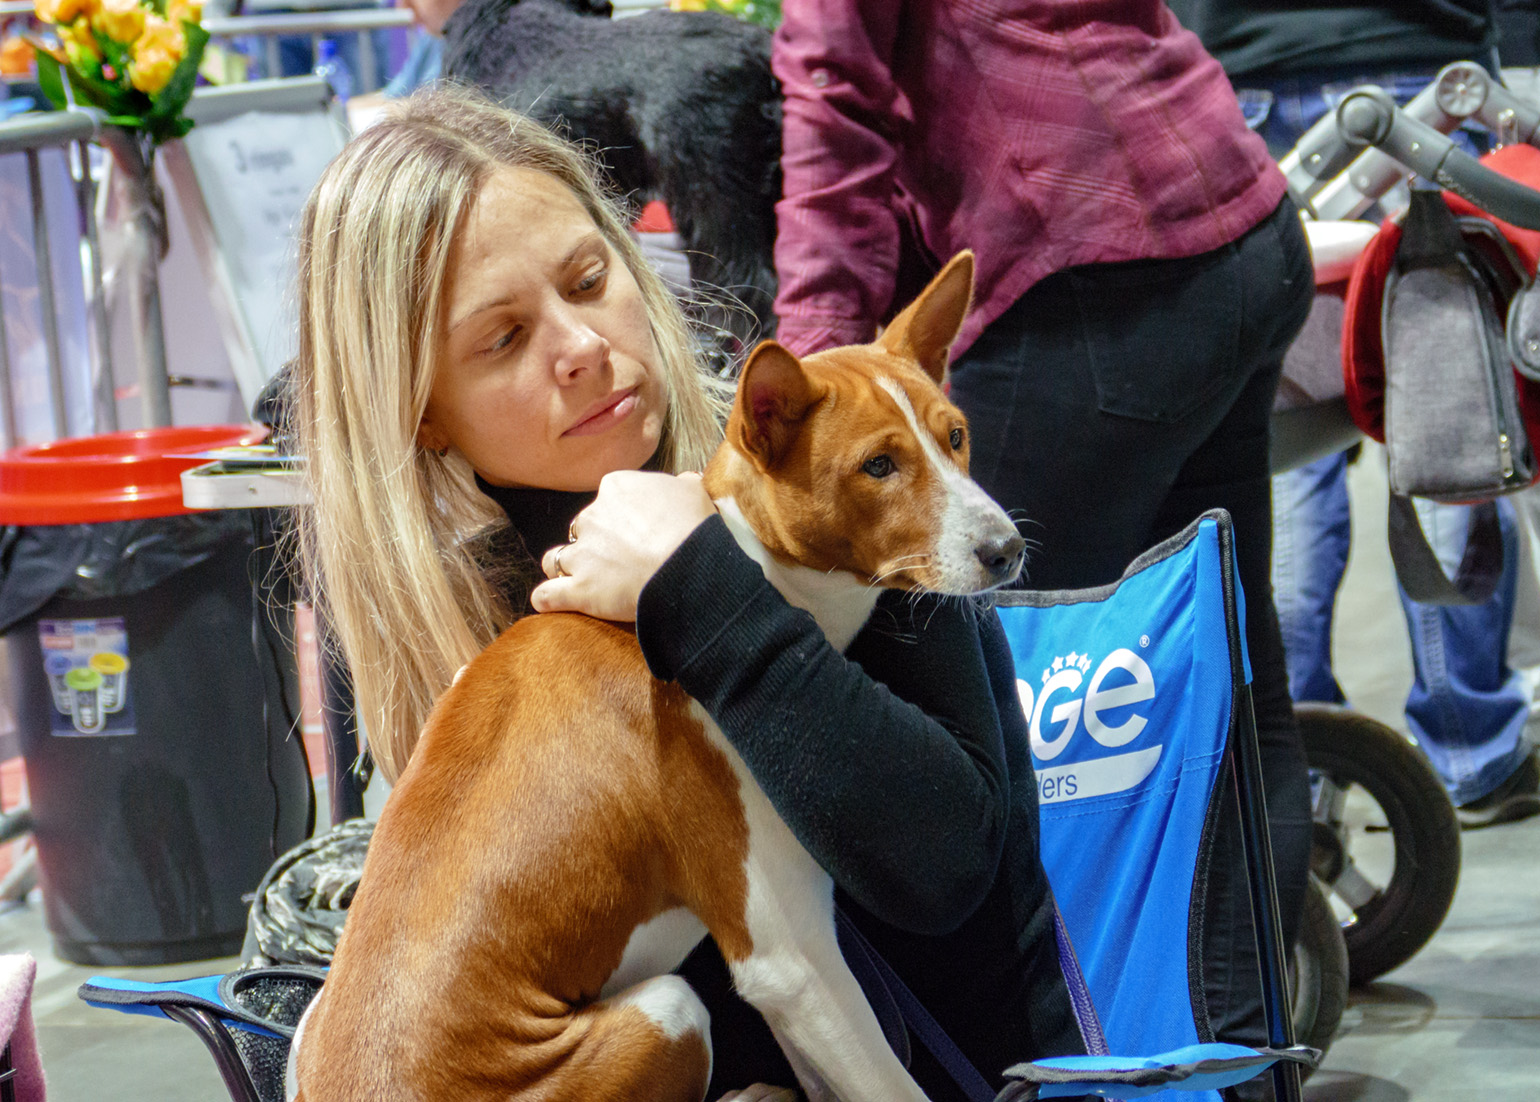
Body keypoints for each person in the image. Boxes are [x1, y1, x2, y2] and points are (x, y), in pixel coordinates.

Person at [288, 85, 1087, 1101]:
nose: (581, 347)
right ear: (421, 415)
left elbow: (944, 869)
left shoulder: (826, 503)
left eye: (589, 278)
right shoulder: (468, 612)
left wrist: (700, 586)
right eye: (503, 338)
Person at [768, 0, 1314, 1060]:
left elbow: (834, 103)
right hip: (1234, 220)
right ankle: (1241, 1059)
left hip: (1095, 278)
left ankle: (1061, 1060)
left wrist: (820, 390)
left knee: (990, 712)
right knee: (1231, 688)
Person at [1168, 0, 1540, 828]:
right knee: (1450, 399)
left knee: (1287, 440)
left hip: (1246, 75)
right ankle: (1470, 754)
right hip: (1419, 58)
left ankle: (1301, 759)